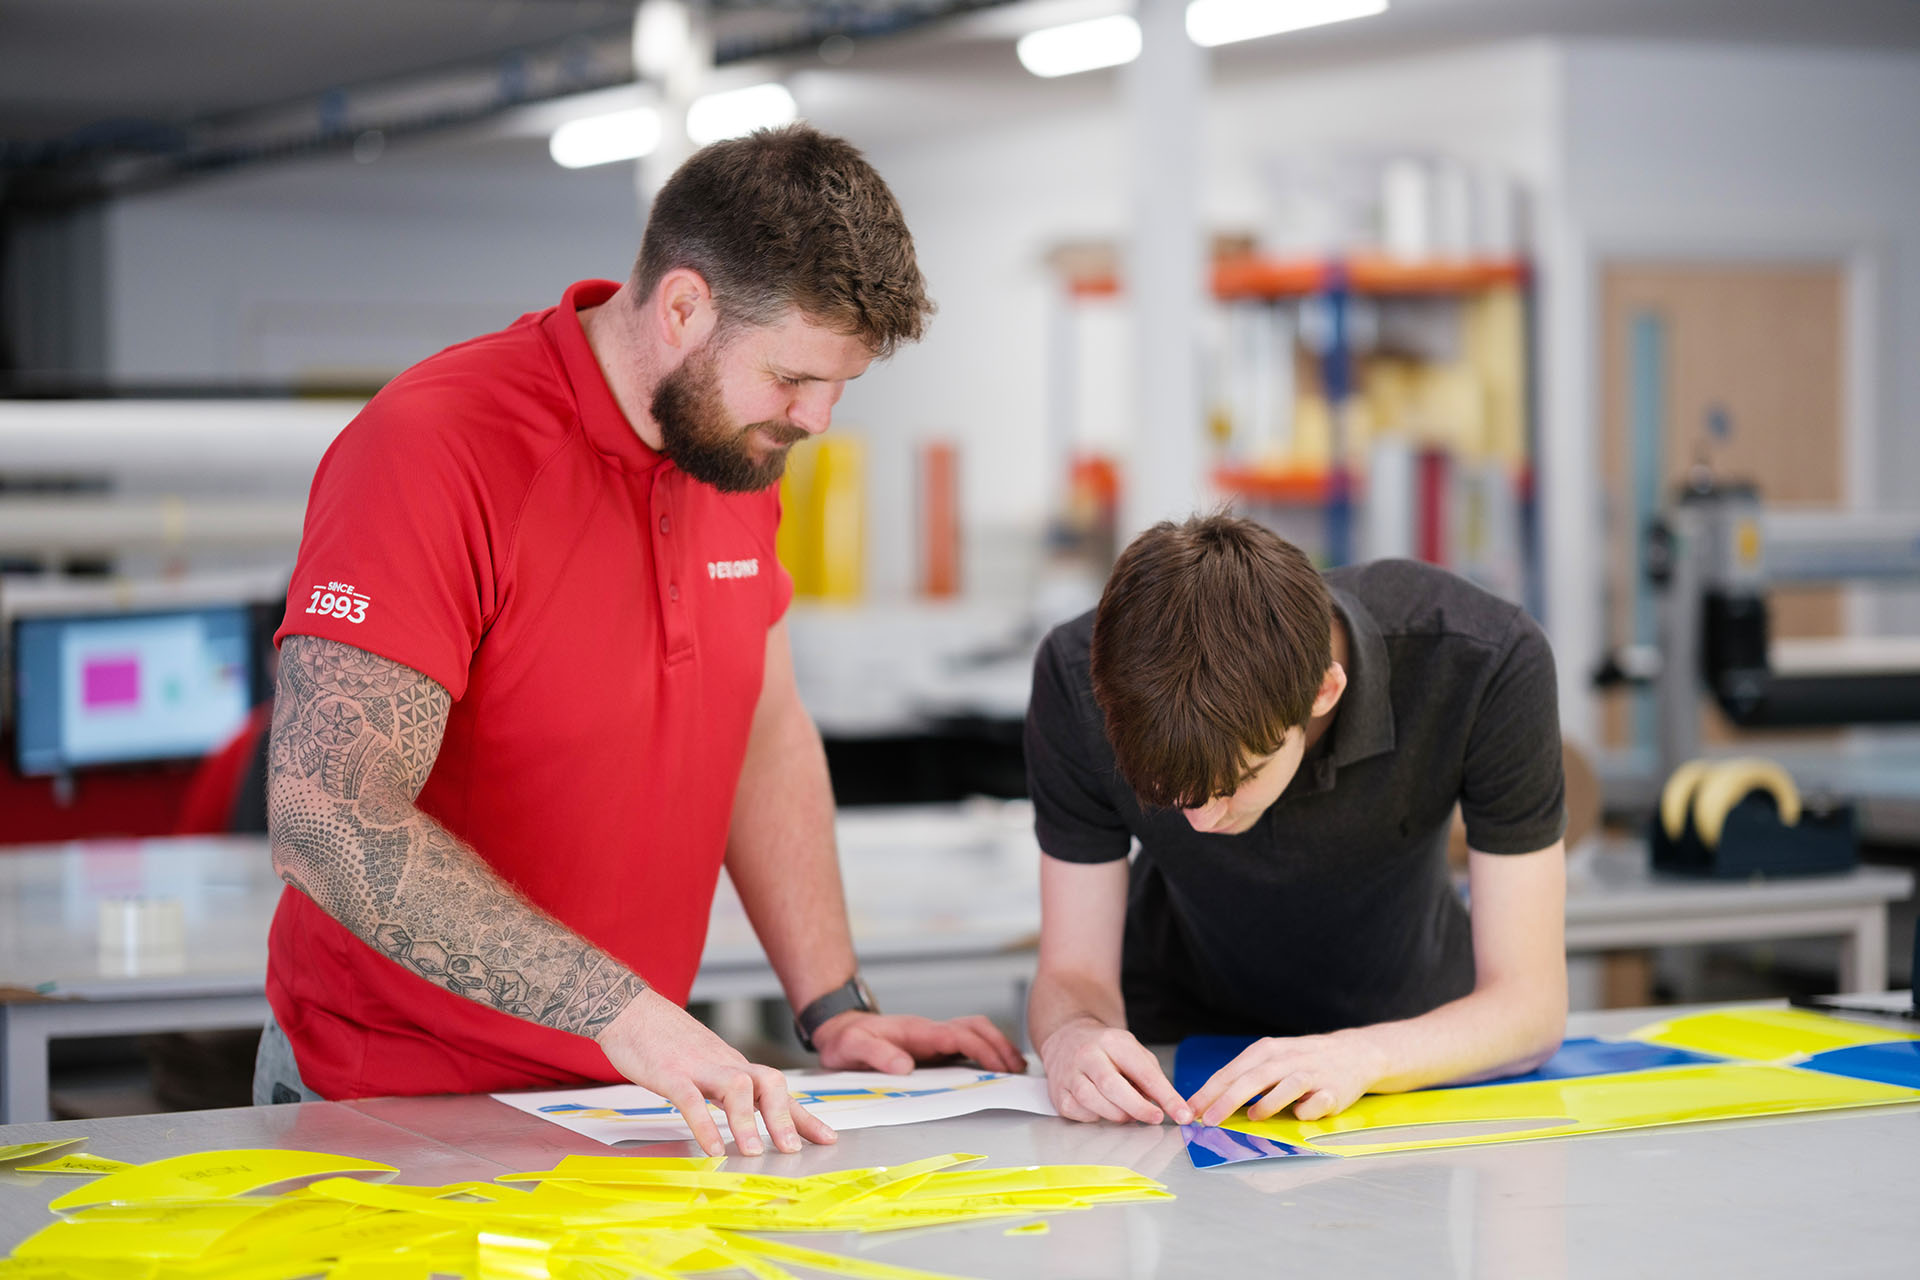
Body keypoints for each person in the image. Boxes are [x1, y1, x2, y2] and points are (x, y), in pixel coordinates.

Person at [259, 124, 1023, 1156]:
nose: (820, 420)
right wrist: (626, 1010)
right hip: (392, 1104)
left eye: (842, 385)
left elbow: (764, 724)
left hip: (625, 1106)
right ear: (683, 307)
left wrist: (833, 1003)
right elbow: (324, 810)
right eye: (795, 378)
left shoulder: (736, 453)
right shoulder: (435, 449)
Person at [1023, 514, 1566, 1128]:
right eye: (1167, 794)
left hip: (1408, 1048)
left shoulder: (1483, 658)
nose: (1201, 821)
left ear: (1323, 693)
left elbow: (1532, 1007)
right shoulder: (1078, 678)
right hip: (1176, 1051)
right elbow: (1072, 972)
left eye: (1235, 782)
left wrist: (1364, 1056)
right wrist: (1073, 1035)